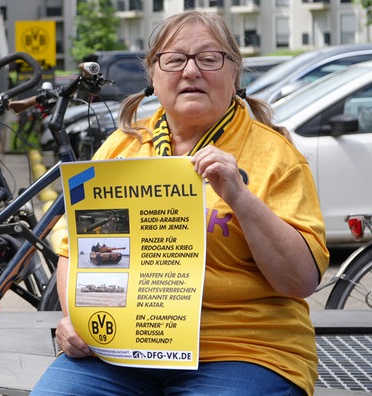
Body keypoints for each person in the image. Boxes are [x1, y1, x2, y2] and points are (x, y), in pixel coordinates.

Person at [31, 10, 329, 396]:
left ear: (234, 72)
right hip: (124, 349)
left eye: (209, 58)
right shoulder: (121, 148)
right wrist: (77, 320)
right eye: (174, 59)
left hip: (244, 350)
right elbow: (77, 252)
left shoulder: (276, 155)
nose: (191, 72)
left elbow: (300, 280)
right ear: (153, 76)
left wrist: (239, 197)